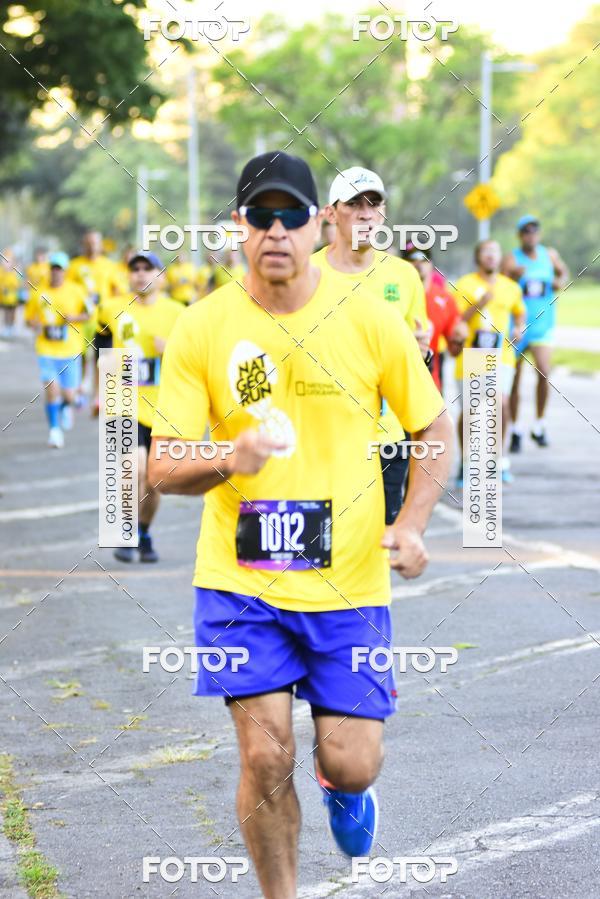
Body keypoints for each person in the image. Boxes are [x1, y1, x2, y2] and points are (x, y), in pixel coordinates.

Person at [148, 151, 453, 899]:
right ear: (239, 226)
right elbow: (161, 464)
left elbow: (435, 428)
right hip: (240, 582)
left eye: (292, 216)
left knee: (352, 761)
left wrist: (413, 521)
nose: (276, 230)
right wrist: (231, 456)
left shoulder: (371, 319)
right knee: (264, 757)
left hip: (349, 582)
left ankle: (343, 788)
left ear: (318, 225)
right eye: (262, 215)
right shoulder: (202, 327)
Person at [311, 166, 432, 527]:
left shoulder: (404, 276)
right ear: (331, 213)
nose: (365, 214)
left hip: (387, 438)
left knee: (380, 541)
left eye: (373, 204)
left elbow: (419, 360)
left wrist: (421, 353)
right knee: (324, 544)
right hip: (322, 437)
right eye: (353, 204)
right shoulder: (305, 273)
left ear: (383, 213)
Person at [98, 250, 183, 563]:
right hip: (124, 402)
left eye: (148, 269)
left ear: (161, 276)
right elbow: (101, 343)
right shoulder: (111, 308)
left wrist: (170, 350)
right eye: (135, 269)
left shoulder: (179, 313)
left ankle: (143, 532)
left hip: (164, 407)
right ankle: (126, 530)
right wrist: (97, 389)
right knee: (133, 468)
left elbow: (195, 359)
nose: (141, 274)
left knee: (155, 480)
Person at [454, 239, 526, 485]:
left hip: (501, 354)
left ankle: (499, 459)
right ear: (478, 257)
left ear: (499, 257)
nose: (491, 256)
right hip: (473, 354)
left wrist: (519, 327)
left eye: (495, 252)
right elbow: (457, 319)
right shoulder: (465, 284)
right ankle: (466, 463)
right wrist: (479, 304)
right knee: (471, 410)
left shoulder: (510, 287)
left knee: (501, 404)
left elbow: (520, 312)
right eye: (486, 252)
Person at [502, 215, 568, 450]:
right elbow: (500, 285)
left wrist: (559, 281)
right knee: (515, 379)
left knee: (544, 371)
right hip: (518, 326)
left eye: (534, 232)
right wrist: (513, 276)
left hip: (542, 325)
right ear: (520, 235)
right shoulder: (512, 258)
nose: (531, 236)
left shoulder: (549, 255)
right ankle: (516, 429)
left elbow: (562, 274)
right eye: (526, 232)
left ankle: (539, 424)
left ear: (538, 234)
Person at [24, 252, 90, 448]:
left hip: (70, 350)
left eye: (59, 268)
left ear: (65, 271)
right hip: (46, 349)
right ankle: (54, 431)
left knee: (69, 396)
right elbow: (28, 318)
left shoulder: (77, 290)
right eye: (53, 268)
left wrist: (74, 318)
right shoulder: (39, 293)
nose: (55, 272)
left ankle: (65, 407)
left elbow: (89, 313)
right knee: (51, 389)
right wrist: (34, 323)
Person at [68, 230, 123, 413]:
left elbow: (118, 290)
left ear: (101, 245)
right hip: (81, 320)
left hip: (102, 320)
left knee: (101, 359)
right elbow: (68, 289)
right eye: (89, 243)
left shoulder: (109, 266)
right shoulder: (75, 266)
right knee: (81, 357)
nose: (92, 246)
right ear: (83, 244)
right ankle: (80, 389)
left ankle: (97, 397)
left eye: (95, 243)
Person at [401, 245, 467, 391]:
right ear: (402, 264)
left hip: (431, 383)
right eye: (412, 259)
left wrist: (459, 339)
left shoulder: (445, 299)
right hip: (396, 382)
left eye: (423, 259)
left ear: (431, 264)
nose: (418, 264)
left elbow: (454, 351)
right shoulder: (392, 296)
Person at [0, 251, 21, 339]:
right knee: (6, 312)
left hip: (13, 297)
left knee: (12, 312)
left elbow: (18, 283)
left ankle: (12, 327)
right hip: (4, 297)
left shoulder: (15, 272)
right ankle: (7, 327)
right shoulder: (1, 272)